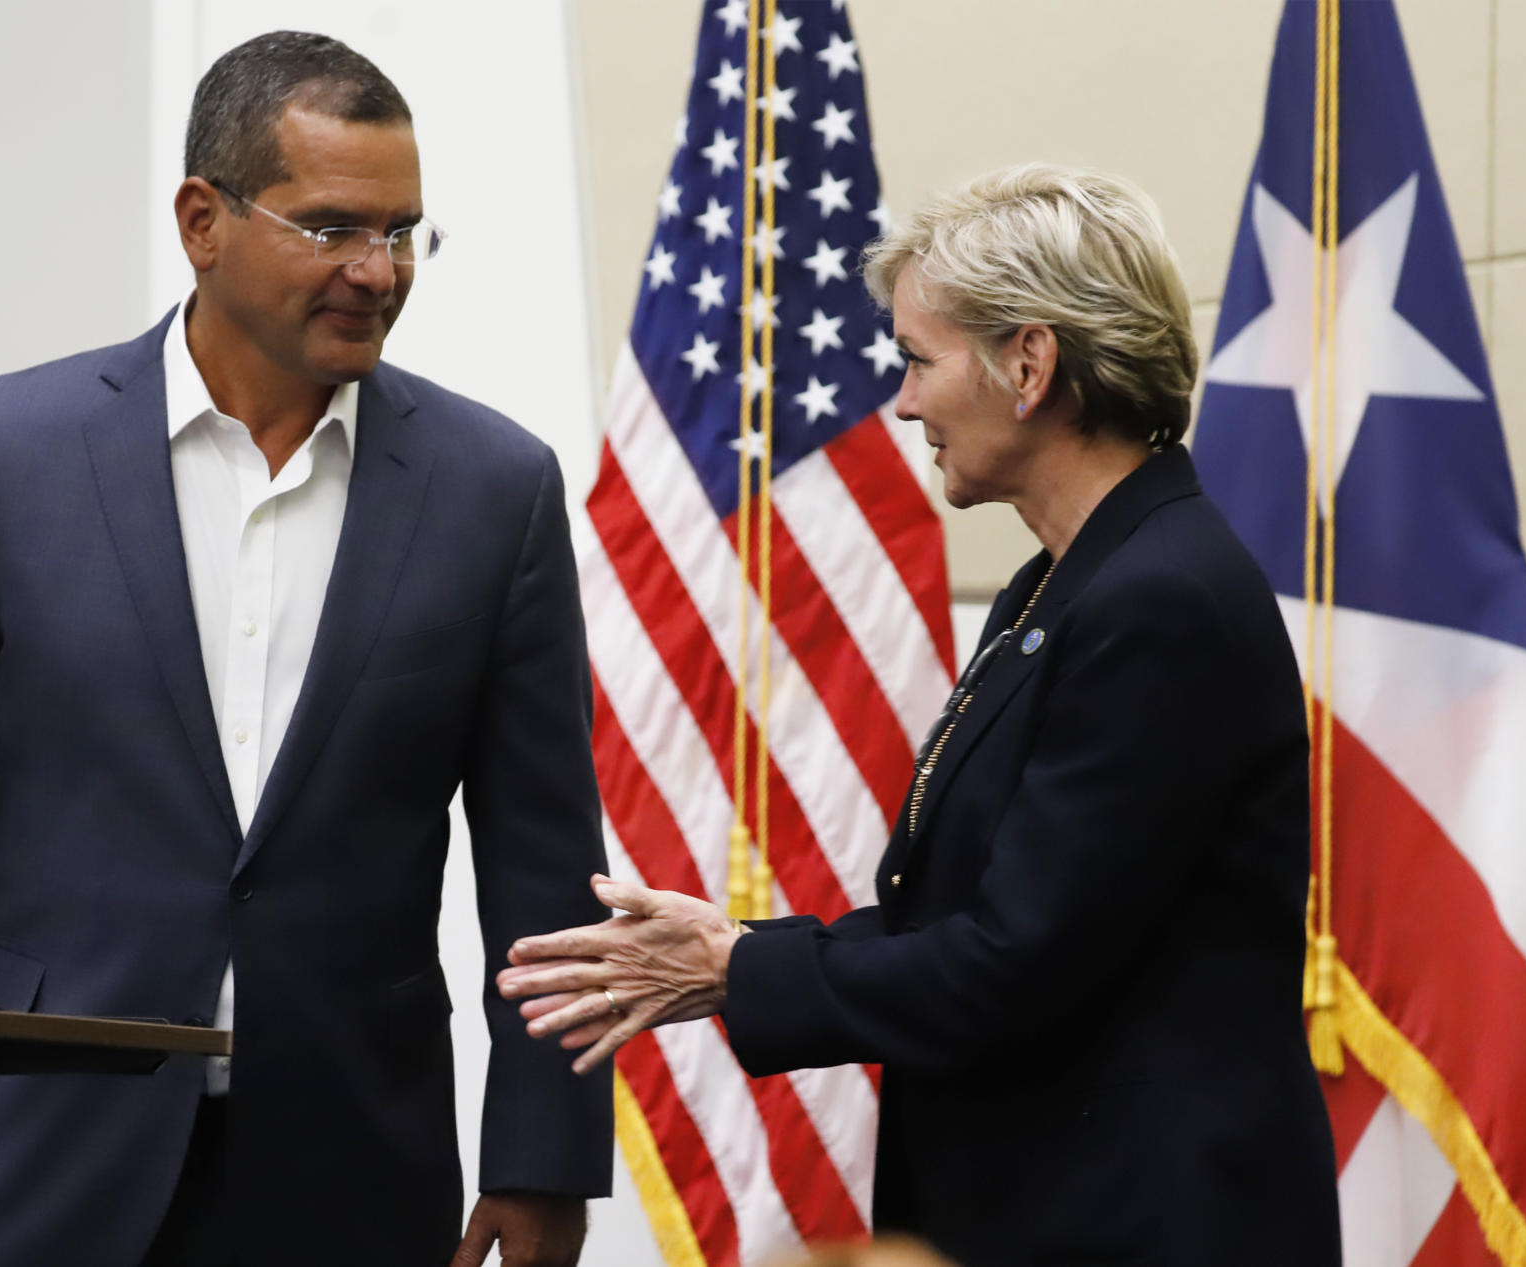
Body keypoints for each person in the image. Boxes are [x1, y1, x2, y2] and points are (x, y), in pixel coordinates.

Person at [0, 32, 610, 1267]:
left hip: (353, 1150)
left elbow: (544, 858)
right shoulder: (6, 449)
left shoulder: (494, 487)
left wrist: (545, 1155)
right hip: (34, 1136)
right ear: (203, 219)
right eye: (333, 228)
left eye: (405, 231)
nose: (379, 269)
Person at [499, 165, 1342, 1265]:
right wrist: (738, 949)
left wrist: (736, 974)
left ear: (1029, 364)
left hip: (1138, 1221)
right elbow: (967, 914)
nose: (900, 403)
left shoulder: (1158, 600)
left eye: (916, 360)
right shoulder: (1073, 579)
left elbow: (1016, 964)